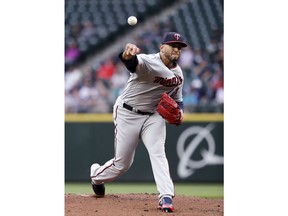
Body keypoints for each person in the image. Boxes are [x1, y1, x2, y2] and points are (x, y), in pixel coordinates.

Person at [90, 32, 187, 213]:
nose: (176, 49)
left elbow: (178, 99)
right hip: (128, 112)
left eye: (180, 47)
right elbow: (131, 62)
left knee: (158, 152)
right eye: (173, 45)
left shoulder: (178, 75)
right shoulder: (148, 61)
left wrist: (181, 112)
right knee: (122, 164)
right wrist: (128, 54)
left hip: (153, 116)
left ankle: (166, 196)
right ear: (161, 47)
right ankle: (96, 176)